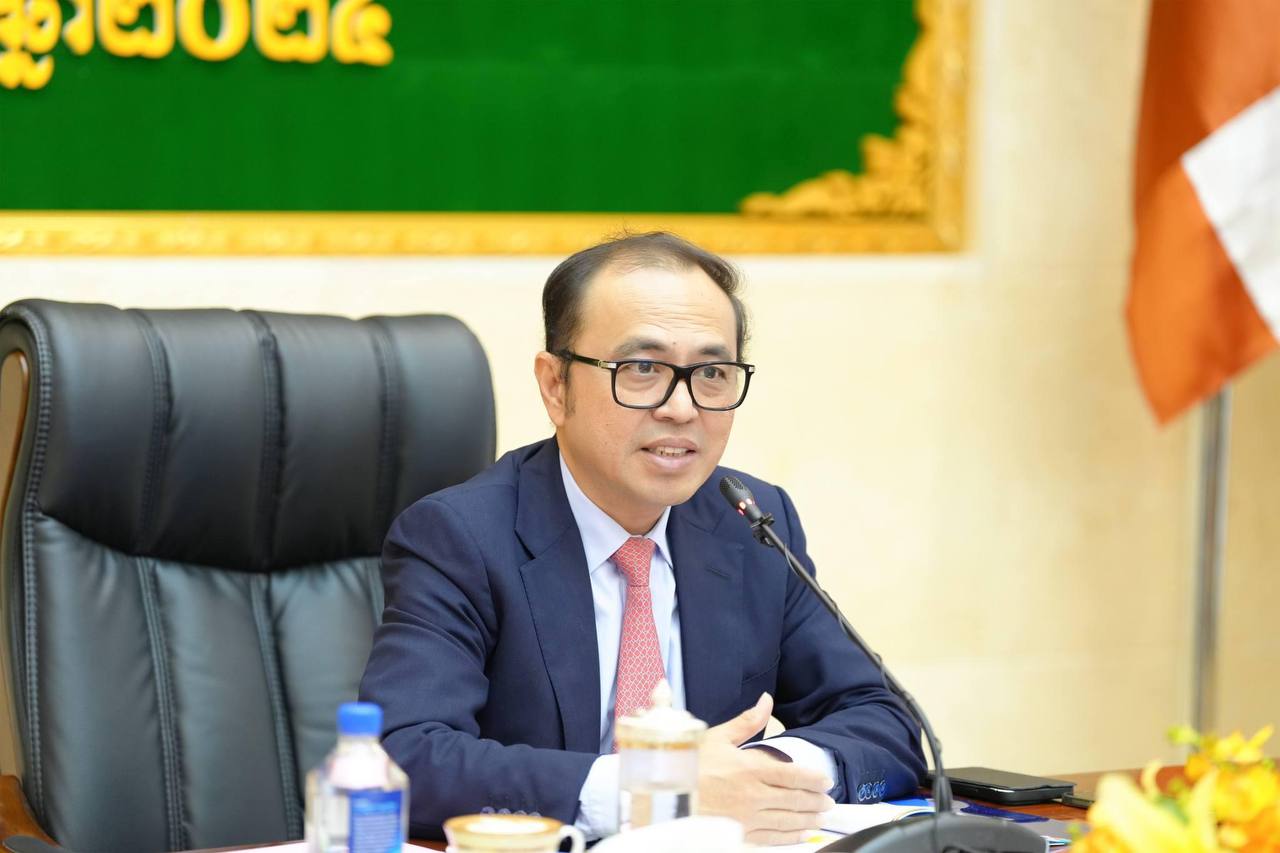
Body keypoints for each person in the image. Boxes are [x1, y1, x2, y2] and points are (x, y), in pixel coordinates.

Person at [358, 232, 926, 845]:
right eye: (643, 369)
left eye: (712, 373)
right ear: (555, 386)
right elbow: (404, 755)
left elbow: (884, 722)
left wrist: (765, 773)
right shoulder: (461, 536)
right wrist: (655, 790)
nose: (682, 408)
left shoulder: (751, 524)